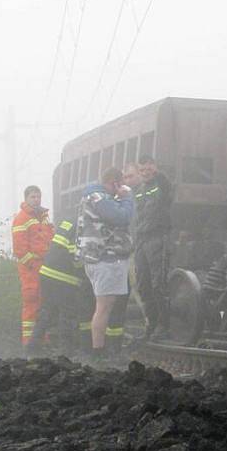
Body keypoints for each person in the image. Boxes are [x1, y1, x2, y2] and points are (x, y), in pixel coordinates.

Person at [76, 167, 134, 360]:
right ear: (114, 183)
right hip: (104, 258)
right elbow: (121, 217)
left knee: (104, 306)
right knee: (104, 307)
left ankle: (99, 351)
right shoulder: (99, 198)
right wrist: (126, 198)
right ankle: (98, 352)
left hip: (100, 258)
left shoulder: (97, 197)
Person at [27, 217, 84, 357]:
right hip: (64, 276)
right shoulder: (84, 226)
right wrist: (84, 274)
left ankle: (33, 345)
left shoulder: (68, 221)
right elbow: (76, 256)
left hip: (46, 272)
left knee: (47, 309)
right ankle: (66, 351)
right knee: (67, 312)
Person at [104, 162, 142, 357]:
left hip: (135, 251)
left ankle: (145, 330)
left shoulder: (139, 197)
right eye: (125, 177)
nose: (128, 181)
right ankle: (113, 345)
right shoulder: (120, 200)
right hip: (122, 255)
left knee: (138, 291)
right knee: (120, 297)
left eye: (131, 176)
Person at [135, 154, 173, 338]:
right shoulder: (139, 189)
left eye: (149, 169)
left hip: (157, 237)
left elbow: (166, 189)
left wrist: (158, 175)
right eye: (142, 170)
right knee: (143, 284)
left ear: (155, 168)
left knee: (159, 283)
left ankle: (164, 324)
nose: (145, 173)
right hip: (141, 240)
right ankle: (152, 322)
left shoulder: (161, 184)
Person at [12, 186, 54, 346]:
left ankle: (43, 341)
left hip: (45, 267)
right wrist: (35, 265)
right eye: (33, 197)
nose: (36, 200)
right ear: (26, 198)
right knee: (31, 305)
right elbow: (20, 250)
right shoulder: (21, 218)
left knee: (44, 304)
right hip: (31, 271)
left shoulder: (44, 218)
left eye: (38, 197)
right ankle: (29, 345)